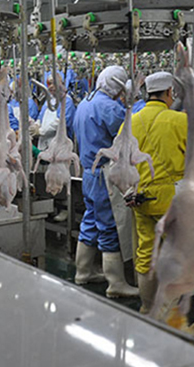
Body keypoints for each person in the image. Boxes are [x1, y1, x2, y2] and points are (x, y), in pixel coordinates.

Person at [73, 65, 138, 298]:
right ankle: (115, 282)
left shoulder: (84, 103)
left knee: (90, 220)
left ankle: (83, 272)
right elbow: (126, 135)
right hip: (104, 175)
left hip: (88, 174)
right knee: (109, 225)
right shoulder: (109, 107)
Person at [128, 71, 187, 313]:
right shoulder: (179, 120)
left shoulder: (131, 121)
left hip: (140, 197)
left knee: (145, 253)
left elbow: (121, 158)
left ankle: (146, 308)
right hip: (171, 200)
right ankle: (167, 314)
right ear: (169, 92)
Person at [37, 72, 75, 152]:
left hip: (60, 147)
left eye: (54, 83)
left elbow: (61, 122)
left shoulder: (67, 101)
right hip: (44, 145)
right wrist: (36, 125)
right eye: (49, 83)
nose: (51, 86)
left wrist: (41, 131)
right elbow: (40, 117)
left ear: (61, 84)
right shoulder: (49, 100)